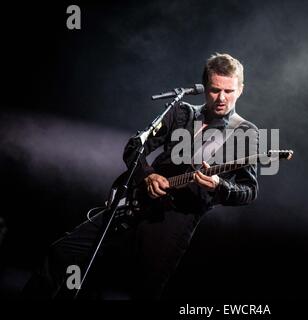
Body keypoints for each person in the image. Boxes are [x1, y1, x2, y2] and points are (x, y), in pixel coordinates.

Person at [22, 53, 259, 299]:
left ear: (240, 89)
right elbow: (135, 146)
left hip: (174, 220)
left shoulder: (244, 132)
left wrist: (220, 185)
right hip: (137, 201)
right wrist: (147, 176)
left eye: (229, 91)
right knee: (61, 253)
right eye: (214, 90)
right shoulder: (182, 113)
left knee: (144, 292)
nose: (221, 98)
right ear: (203, 87)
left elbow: (250, 190)